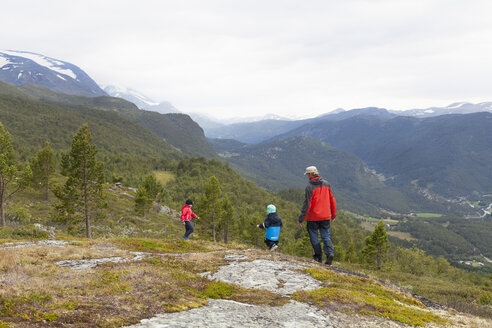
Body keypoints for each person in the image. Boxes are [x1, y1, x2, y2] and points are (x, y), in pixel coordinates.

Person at [298, 166, 337, 265]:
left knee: (314, 237)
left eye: (307, 174)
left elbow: (307, 205)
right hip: (326, 216)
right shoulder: (326, 184)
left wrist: (301, 219)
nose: (307, 176)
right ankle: (330, 253)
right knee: (326, 236)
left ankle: (318, 258)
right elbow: (332, 200)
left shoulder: (309, 187)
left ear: (310, 174)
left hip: (313, 218)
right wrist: (333, 214)